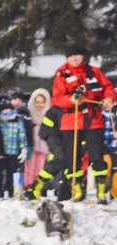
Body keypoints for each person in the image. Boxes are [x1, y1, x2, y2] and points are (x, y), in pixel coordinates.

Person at [51, 44, 115, 204]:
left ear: (83, 57)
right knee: (72, 158)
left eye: (77, 56)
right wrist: (70, 100)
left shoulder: (94, 71)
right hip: (71, 121)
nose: (74, 59)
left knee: (97, 155)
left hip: (94, 120)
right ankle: (78, 189)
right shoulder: (61, 74)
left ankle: (101, 190)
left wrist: (109, 99)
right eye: (70, 56)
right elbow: (56, 99)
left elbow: (108, 87)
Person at [0, 95, 29, 198]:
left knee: (13, 172)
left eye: (9, 109)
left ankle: (12, 192)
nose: (7, 111)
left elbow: (22, 135)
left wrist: (24, 148)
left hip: (13, 151)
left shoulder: (17, 119)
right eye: (4, 109)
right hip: (0, 152)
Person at [24, 89, 51, 190]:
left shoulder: (49, 115)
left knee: (40, 167)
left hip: (43, 146)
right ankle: (28, 185)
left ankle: (37, 187)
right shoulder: (29, 114)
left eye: (42, 102)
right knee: (29, 166)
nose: (39, 105)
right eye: (37, 102)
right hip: (31, 145)